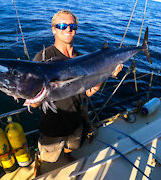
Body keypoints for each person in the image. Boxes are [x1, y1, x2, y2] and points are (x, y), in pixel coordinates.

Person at [31, 10, 122, 176]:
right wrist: (31, 98)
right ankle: (41, 161)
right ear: (54, 29)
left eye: (72, 26)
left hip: (75, 122)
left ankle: (67, 156)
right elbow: (35, 101)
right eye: (62, 25)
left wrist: (106, 73)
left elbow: (89, 91)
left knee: (70, 149)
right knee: (47, 158)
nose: (68, 29)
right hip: (51, 127)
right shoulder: (43, 57)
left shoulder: (82, 58)